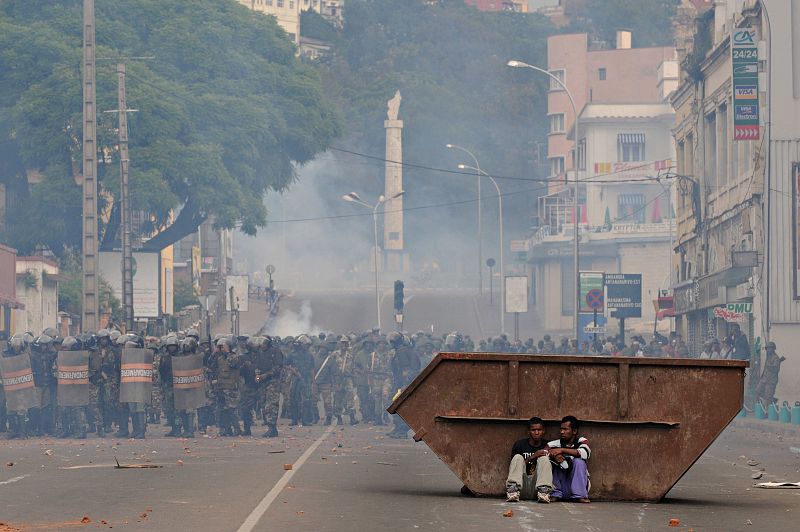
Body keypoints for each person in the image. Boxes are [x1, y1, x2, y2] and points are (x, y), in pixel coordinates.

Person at [506, 417, 554, 503]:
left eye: (539, 430)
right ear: (528, 431)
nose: (536, 433)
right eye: (533, 430)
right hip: (521, 486)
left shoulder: (548, 445)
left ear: (543, 431)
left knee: (544, 458)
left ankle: (544, 492)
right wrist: (533, 457)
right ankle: (512, 491)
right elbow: (513, 469)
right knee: (517, 457)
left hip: (537, 487)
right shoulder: (519, 444)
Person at [547, 415, 591, 503]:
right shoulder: (553, 444)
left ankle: (580, 496)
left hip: (577, 487)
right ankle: (555, 494)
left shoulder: (581, 441)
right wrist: (554, 456)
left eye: (565, 429)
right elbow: (543, 454)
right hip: (561, 488)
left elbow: (585, 453)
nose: (562, 432)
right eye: (561, 429)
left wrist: (562, 450)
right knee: (555, 461)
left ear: (574, 431)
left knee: (579, 461)